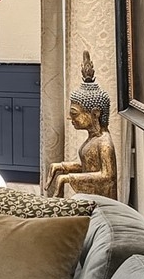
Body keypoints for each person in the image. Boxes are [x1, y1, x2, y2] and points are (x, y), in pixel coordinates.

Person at [43, 52, 119, 200]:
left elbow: (107, 176)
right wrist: (62, 167)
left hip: (102, 203)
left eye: (74, 113)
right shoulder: (93, 139)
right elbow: (88, 168)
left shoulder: (104, 143)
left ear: (95, 114)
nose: (70, 117)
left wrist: (67, 178)